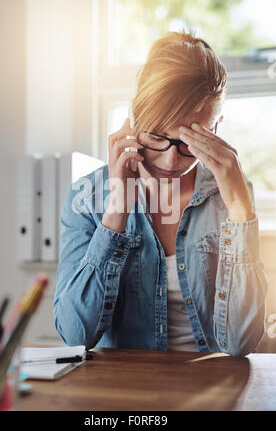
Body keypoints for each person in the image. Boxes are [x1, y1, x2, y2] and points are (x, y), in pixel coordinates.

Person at [53, 31, 268, 357]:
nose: (170, 160)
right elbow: (74, 334)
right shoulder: (87, 197)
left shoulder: (229, 194)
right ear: (135, 118)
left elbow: (241, 343)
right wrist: (116, 211)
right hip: (127, 392)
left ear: (216, 128)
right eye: (157, 137)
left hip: (211, 392)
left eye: (189, 143)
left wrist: (240, 206)